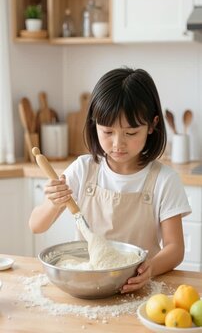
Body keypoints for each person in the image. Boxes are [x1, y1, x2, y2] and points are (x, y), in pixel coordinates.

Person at [29, 67, 191, 293]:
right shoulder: (83, 170)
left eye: (131, 133)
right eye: (107, 132)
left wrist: (150, 268)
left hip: (141, 289)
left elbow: (175, 248)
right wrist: (53, 202)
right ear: (94, 124)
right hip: (88, 285)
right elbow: (36, 225)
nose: (118, 144)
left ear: (152, 125)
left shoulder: (164, 180)